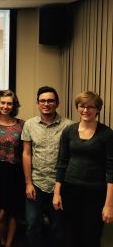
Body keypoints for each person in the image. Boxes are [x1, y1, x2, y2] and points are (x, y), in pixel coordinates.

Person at [53, 91, 113, 247]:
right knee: (71, 235)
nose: (86, 110)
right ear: (77, 108)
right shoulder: (68, 131)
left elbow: (111, 170)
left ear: (97, 109)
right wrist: (57, 193)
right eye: (82, 106)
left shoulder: (107, 134)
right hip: (70, 190)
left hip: (95, 193)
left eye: (90, 107)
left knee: (91, 236)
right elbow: (62, 163)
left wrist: (109, 204)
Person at [21, 86, 73, 247]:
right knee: (32, 226)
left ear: (57, 103)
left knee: (58, 228)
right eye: (42, 101)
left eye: (50, 100)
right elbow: (26, 154)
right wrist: (28, 183)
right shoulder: (29, 124)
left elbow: (71, 157)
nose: (46, 104)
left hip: (59, 185)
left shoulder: (69, 126)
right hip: (36, 183)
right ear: (37, 103)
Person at [0, 90, 25, 247]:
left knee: (14, 212)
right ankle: (2, 241)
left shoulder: (22, 125)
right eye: (3, 102)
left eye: (9, 103)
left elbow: (25, 153)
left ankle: (8, 244)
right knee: (0, 214)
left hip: (14, 172)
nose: (6, 106)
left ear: (14, 105)